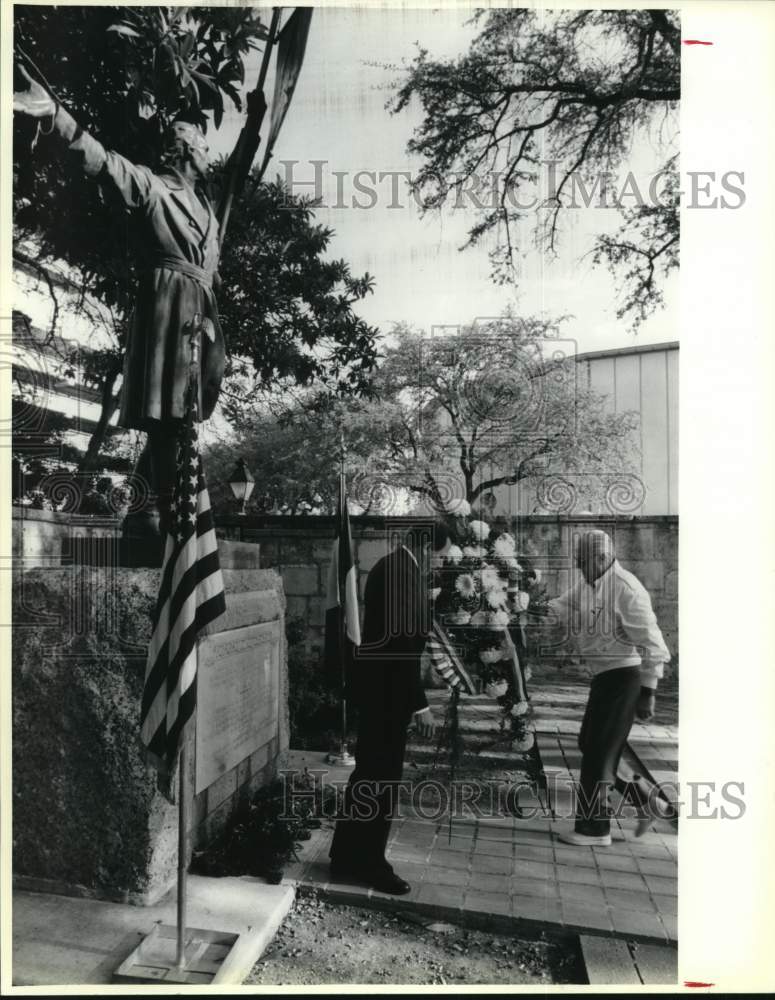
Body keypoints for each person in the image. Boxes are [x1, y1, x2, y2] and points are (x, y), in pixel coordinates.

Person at [13, 66, 238, 546]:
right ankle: (162, 522)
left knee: (184, 426)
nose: (207, 155)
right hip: (167, 312)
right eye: (201, 147)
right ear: (182, 152)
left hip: (199, 318)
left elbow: (213, 266)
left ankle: (162, 519)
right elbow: (103, 161)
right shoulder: (152, 186)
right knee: (166, 420)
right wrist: (55, 115)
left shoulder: (210, 213)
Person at [329, 520, 452, 894]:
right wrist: (420, 706)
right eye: (439, 557)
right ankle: (369, 864)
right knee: (380, 780)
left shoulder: (398, 567)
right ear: (428, 547)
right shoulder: (400, 572)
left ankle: (348, 854)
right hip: (386, 693)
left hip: (382, 689)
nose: (437, 565)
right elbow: (400, 646)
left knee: (369, 774)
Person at [545, 529, 673, 846]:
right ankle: (645, 799)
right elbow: (563, 605)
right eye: (577, 560)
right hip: (603, 677)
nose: (578, 566)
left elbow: (654, 644)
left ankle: (594, 829)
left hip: (624, 678)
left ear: (602, 558)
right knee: (591, 744)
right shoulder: (588, 582)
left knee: (599, 754)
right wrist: (526, 605)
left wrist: (648, 692)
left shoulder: (627, 588)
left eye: (583, 561)